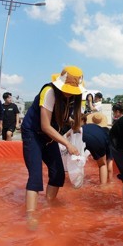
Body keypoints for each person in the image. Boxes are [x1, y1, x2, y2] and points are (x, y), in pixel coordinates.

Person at [21, 66, 85, 224]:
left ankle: (49, 204)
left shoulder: (73, 97)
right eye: (68, 89)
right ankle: (31, 215)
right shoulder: (49, 92)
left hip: (49, 138)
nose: (69, 93)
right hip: (33, 134)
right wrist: (68, 145)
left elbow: (61, 117)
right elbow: (45, 126)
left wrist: (73, 125)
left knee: (58, 174)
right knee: (35, 175)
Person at [82, 112, 112, 184]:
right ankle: (103, 187)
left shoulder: (87, 126)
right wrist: (111, 182)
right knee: (102, 164)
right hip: (97, 140)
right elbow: (110, 168)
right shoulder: (106, 135)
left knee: (76, 160)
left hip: (79, 134)